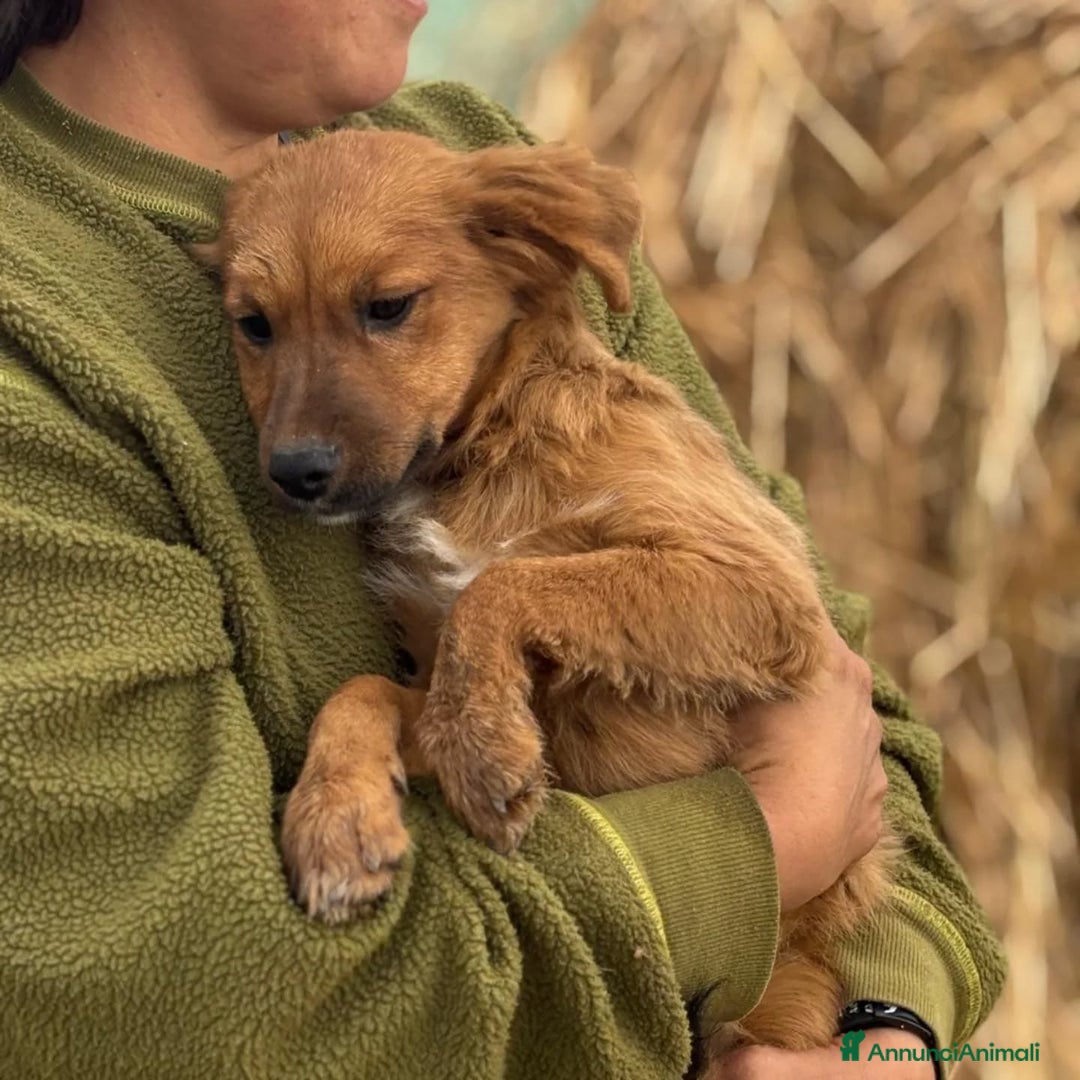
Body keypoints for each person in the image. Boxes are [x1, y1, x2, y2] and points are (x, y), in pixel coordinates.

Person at [0, 2, 1004, 1078]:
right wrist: (761, 844)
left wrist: (889, 1036)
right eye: (254, 328)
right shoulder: (41, 322)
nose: (293, 428)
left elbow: (854, 711)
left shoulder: (475, 170)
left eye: (386, 308)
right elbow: (183, 1005)